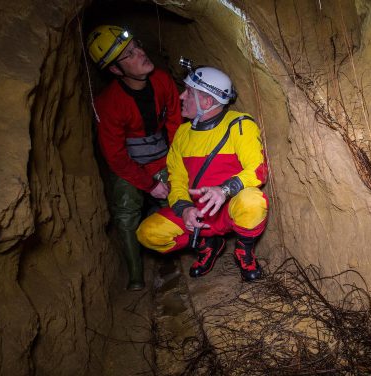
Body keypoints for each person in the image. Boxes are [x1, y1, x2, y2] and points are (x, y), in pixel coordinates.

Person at [136, 66, 268, 281]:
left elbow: (257, 169)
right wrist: (184, 208)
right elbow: (176, 179)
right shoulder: (182, 133)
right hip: (196, 213)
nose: (181, 96)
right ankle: (208, 245)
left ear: (206, 102)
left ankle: (244, 251)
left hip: (228, 209)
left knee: (253, 200)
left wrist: (224, 190)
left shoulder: (238, 124)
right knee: (147, 233)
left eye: (188, 92)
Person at [86, 25, 181, 291]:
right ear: (116, 70)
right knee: (126, 211)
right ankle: (136, 274)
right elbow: (115, 157)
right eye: (128, 55)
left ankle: (175, 252)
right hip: (129, 164)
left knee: (177, 197)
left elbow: (175, 125)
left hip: (162, 155)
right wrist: (149, 184)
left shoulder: (162, 81)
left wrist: (174, 168)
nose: (140, 53)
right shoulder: (110, 103)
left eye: (136, 46)